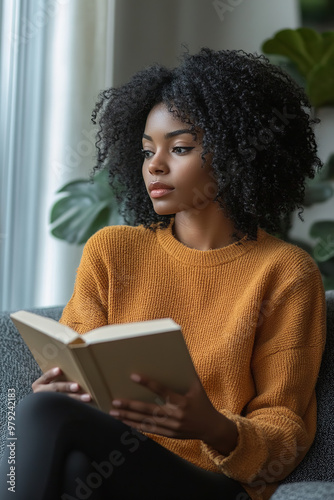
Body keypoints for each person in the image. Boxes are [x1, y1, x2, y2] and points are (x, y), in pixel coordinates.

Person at [0, 48, 326, 500]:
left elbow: (284, 431)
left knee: (40, 416)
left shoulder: (286, 273)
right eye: (147, 150)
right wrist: (63, 387)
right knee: (60, 440)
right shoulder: (111, 251)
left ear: (235, 154)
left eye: (179, 148)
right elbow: (77, 362)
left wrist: (212, 427)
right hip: (112, 463)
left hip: (212, 482)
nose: (155, 165)